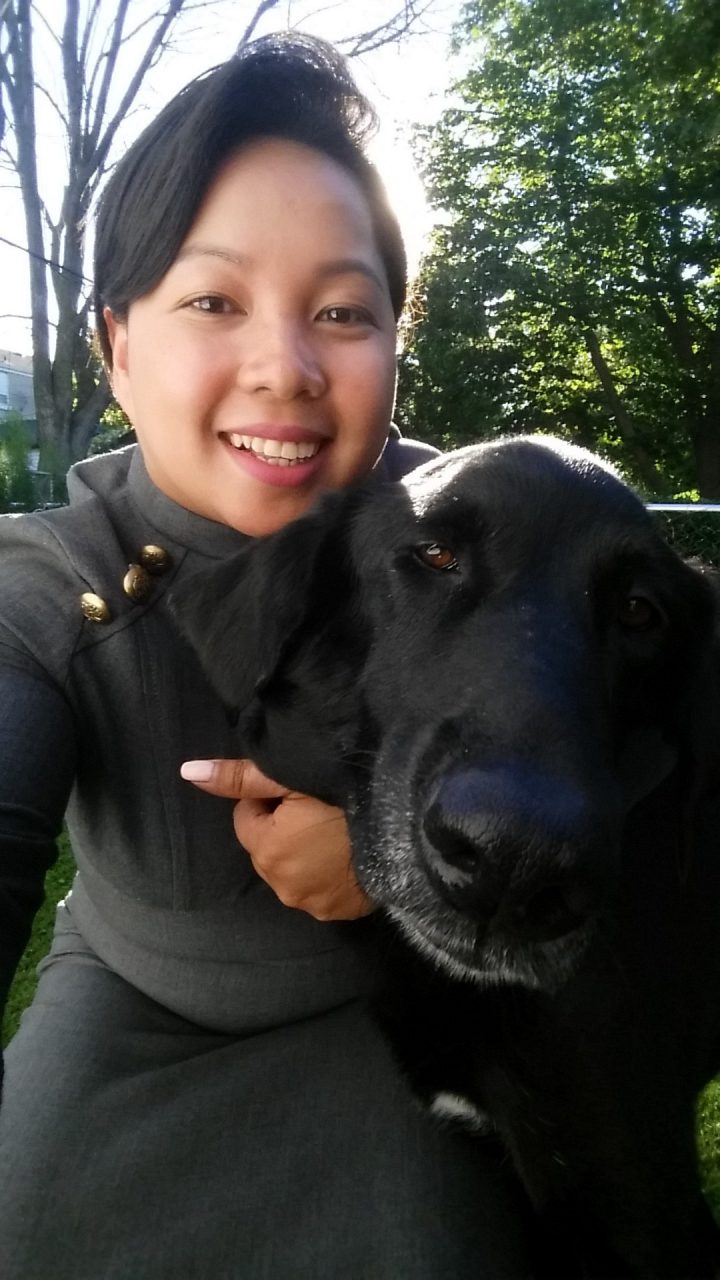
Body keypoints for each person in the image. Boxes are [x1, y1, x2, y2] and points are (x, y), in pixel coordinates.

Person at [0, 33, 532, 1279]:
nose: (286, 368)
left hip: (399, 1019)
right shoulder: (54, 574)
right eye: (213, 301)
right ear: (117, 343)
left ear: (397, 339)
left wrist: (399, 866)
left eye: (343, 311)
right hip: (132, 1013)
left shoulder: (481, 541)